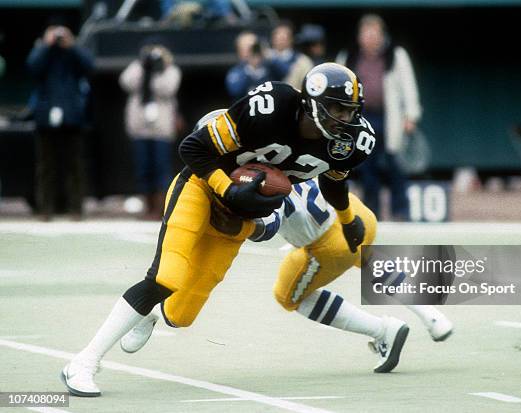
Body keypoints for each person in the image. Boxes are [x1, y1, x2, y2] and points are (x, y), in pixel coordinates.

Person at [61, 62, 380, 397]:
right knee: (165, 277)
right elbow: (191, 148)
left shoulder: (349, 142)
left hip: (237, 218)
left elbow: (332, 182)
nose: (345, 119)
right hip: (201, 189)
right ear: (312, 103)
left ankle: (149, 314)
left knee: (180, 316)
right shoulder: (270, 107)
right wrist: (226, 188)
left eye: (350, 111)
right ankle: (83, 362)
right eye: (337, 109)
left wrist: (347, 219)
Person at [117, 178, 453, 374]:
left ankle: (383, 330)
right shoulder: (295, 148)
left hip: (326, 243)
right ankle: (432, 316)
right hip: (355, 213)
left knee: (289, 295)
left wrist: (240, 218)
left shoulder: (264, 175)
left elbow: (267, 227)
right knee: (368, 259)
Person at [337, 14, 422, 220]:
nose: (370, 38)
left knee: (396, 166)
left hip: (390, 118)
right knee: (367, 167)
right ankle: (372, 213)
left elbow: (408, 86)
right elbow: (337, 85)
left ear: (382, 35)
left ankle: (400, 212)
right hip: (361, 118)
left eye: (374, 33)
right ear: (359, 36)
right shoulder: (348, 55)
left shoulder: (396, 54)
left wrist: (411, 115)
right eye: (366, 34)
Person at [27, 20, 94, 221]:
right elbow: (32, 67)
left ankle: (76, 208)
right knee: (46, 165)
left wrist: (72, 45)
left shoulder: (72, 52)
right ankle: (45, 208)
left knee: (75, 164)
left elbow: (89, 65)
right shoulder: (43, 52)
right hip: (45, 117)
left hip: (72, 116)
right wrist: (46, 45)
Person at [119, 44, 182, 220]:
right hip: (140, 128)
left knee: (161, 168)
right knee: (143, 167)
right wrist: (143, 66)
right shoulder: (138, 67)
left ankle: (161, 208)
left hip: (161, 128)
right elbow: (125, 82)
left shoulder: (171, 69)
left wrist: (158, 69)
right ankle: (148, 207)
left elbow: (167, 88)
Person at [225, 31, 274, 101]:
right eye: (247, 47)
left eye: (254, 47)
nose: (251, 51)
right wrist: (250, 68)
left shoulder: (271, 67)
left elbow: (287, 77)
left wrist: (271, 56)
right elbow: (235, 91)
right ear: (239, 51)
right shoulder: (236, 71)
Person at [268, 20, 313, 89]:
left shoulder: (303, 61)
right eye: (277, 36)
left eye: (284, 37)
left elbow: (308, 86)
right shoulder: (263, 57)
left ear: (291, 39)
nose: (280, 40)